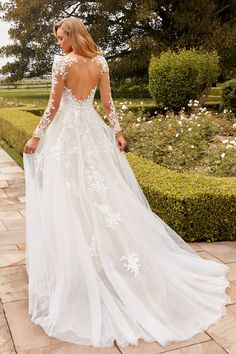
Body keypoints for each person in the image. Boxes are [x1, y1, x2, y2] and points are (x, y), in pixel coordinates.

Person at [23, 17, 231, 348]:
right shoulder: (101, 62)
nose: (58, 43)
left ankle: (81, 267)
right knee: (100, 194)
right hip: (91, 134)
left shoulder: (62, 64)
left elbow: (53, 106)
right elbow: (107, 105)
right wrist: (117, 132)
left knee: (71, 197)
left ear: (74, 37)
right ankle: (90, 259)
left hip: (67, 139)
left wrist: (36, 137)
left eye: (61, 37)